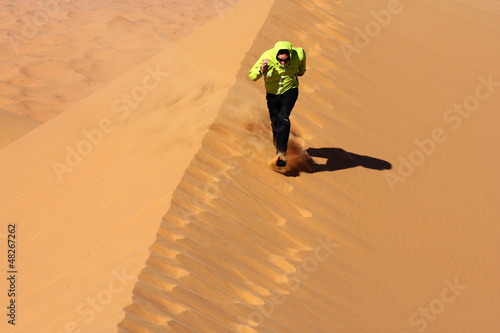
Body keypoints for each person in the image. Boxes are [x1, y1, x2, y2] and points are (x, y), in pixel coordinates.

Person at [248, 41, 306, 167]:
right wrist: (261, 69)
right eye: (280, 60)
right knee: (275, 123)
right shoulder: (267, 57)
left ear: (290, 55)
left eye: (286, 60)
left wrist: (301, 70)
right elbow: (252, 76)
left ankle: (281, 154)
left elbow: (302, 64)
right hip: (273, 94)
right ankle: (279, 147)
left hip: (290, 90)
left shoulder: (299, 54)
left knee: (283, 117)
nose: (283, 63)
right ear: (276, 57)